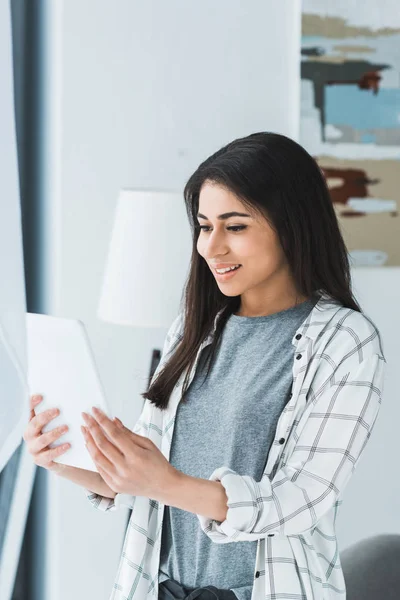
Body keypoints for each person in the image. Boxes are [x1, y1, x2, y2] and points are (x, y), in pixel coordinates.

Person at [24, 132, 386, 600]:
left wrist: (168, 482)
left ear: (291, 224)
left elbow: (303, 500)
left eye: (235, 227)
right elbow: (144, 484)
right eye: (203, 225)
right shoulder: (193, 329)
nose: (211, 247)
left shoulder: (345, 341)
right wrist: (64, 457)